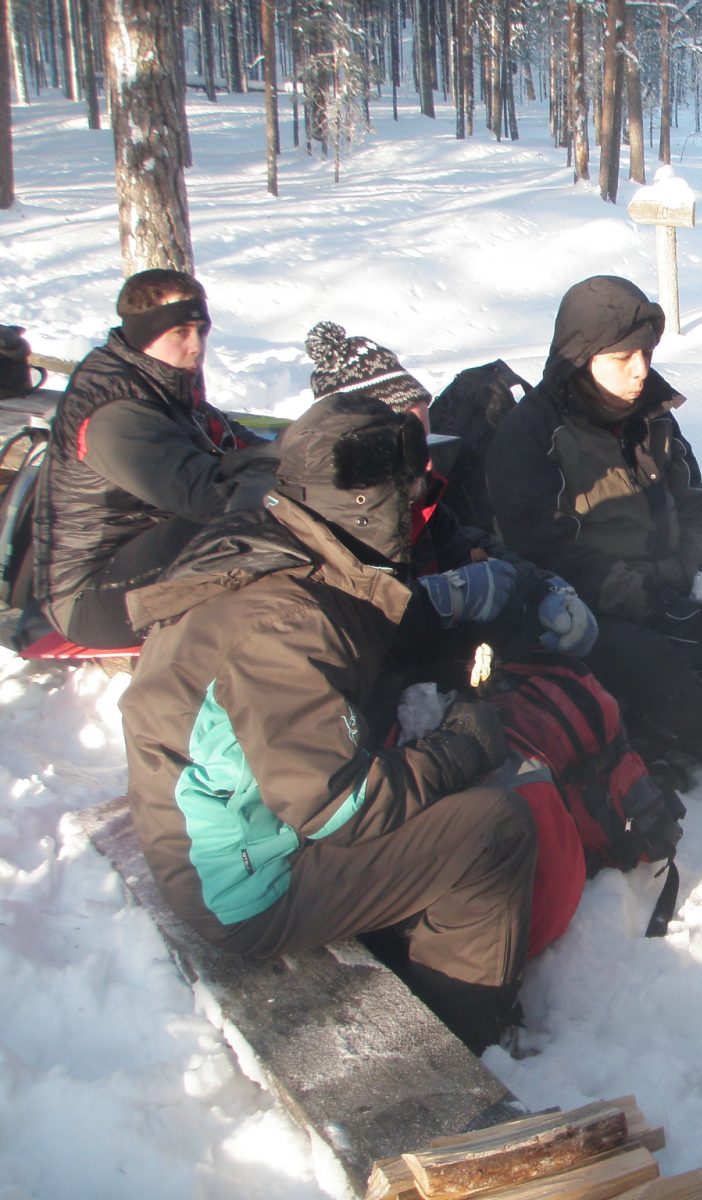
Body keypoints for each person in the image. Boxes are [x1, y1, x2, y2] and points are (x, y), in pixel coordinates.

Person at [119, 393, 537, 1055]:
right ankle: (463, 1035)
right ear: (372, 505)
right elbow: (340, 807)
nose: (419, 507)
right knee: (493, 831)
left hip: (216, 820)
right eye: (408, 494)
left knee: (425, 778)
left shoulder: (281, 542)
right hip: (246, 884)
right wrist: (460, 748)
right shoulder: (287, 625)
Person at [485, 275, 702, 770]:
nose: (641, 371)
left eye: (646, 353)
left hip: (677, 594)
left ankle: (664, 722)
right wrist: (651, 603)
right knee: (654, 661)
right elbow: (547, 554)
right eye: (623, 359)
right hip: (591, 612)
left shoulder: (653, 416)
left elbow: (692, 503)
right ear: (581, 358)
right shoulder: (532, 435)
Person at [300, 321, 597, 697]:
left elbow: (471, 550)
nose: (428, 463)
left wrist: (542, 589)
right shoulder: (314, 528)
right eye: (409, 444)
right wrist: (433, 600)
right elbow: (339, 637)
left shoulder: (420, 509)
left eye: (427, 440)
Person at [33, 269, 278, 648]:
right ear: (145, 333)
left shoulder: (161, 385)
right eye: (180, 332)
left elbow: (236, 442)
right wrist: (292, 486)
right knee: (251, 525)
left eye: (201, 330)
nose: (196, 346)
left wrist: (304, 455)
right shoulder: (114, 413)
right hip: (91, 598)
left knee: (263, 514)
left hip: (140, 551)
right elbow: (204, 495)